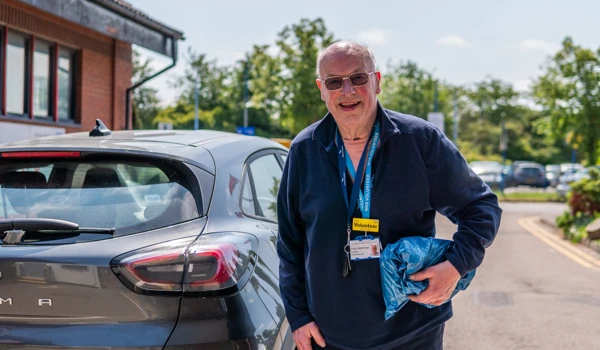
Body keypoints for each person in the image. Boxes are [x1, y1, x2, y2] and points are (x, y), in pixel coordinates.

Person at [276, 41, 502, 350]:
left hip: (412, 333)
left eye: (358, 78)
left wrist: (456, 266)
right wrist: (298, 316)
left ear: (377, 81)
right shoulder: (304, 150)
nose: (347, 91)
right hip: (329, 337)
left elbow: (481, 206)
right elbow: (290, 244)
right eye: (334, 82)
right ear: (321, 89)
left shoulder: (420, 141)